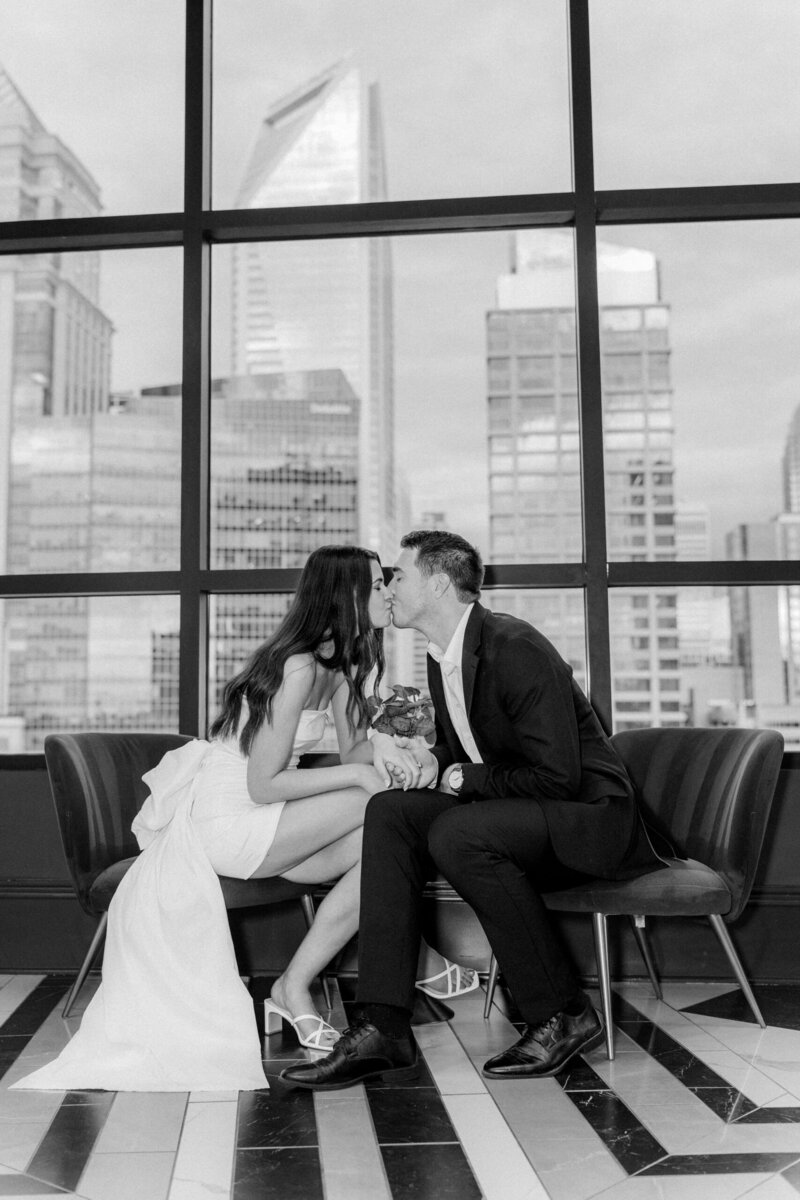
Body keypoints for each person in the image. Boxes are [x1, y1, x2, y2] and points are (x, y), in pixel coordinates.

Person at [13, 545, 469, 1093]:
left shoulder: (347, 667)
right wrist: (361, 777)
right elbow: (264, 783)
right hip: (228, 820)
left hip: (271, 822)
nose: (388, 593)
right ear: (344, 594)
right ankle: (414, 960)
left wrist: (399, 749)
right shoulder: (297, 665)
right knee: (385, 809)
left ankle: (293, 986)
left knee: (386, 844)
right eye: (376, 584)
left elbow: (354, 757)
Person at [281, 530, 663, 1092]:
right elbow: (472, 748)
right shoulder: (446, 654)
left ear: (437, 583)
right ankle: (382, 1025)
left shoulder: (514, 646)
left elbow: (558, 776)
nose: (387, 587)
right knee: (391, 811)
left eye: (399, 575)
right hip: (520, 811)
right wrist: (434, 762)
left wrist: (459, 776)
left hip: (588, 818)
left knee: (460, 833)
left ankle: (563, 1011)